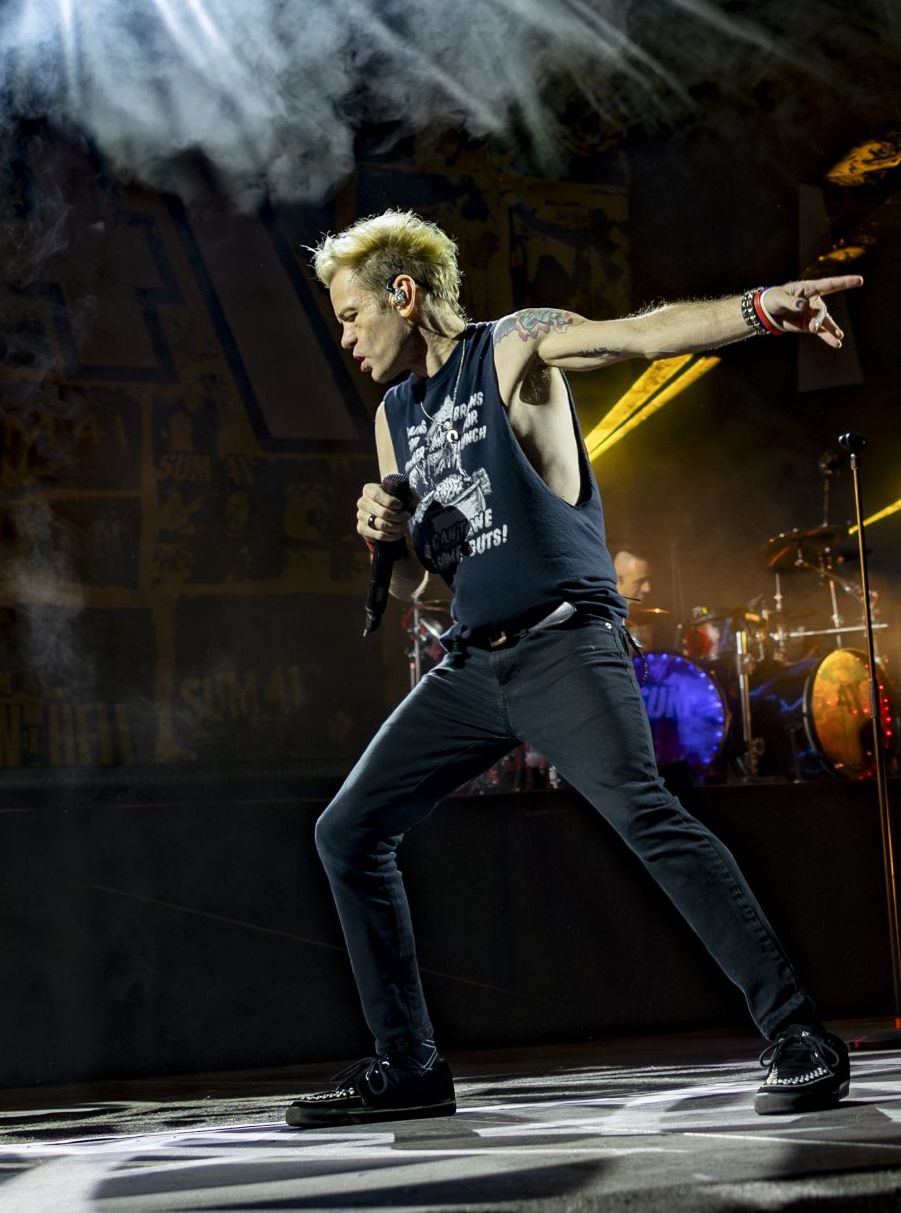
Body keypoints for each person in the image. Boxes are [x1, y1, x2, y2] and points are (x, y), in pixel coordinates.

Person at [290, 208, 861, 1126]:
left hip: (564, 646)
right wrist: (384, 542)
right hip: (472, 667)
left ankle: (799, 1035)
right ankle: (409, 1064)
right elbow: (423, 588)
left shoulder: (510, 349)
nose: (347, 338)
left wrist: (762, 308)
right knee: (347, 831)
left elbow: (639, 336)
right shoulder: (394, 418)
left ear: (404, 294)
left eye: (353, 315)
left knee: (646, 814)